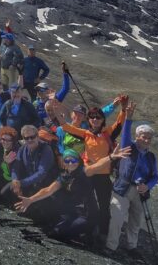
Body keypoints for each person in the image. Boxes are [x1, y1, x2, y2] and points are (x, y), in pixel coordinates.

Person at [47, 98, 128, 241]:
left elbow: (119, 123)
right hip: (88, 174)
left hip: (103, 176)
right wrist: (56, 110)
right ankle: (88, 228)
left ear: (102, 119)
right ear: (89, 120)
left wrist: (123, 108)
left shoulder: (107, 133)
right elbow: (65, 126)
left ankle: (102, 233)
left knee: (104, 205)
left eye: (98, 117)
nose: (95, 120)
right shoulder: (85, 134)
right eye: (92, 117)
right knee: (86, 203)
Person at [106, 102, 158, 254]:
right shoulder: (128, 146)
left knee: (135, 221)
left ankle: (131, 246)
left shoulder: (151, 157)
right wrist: (129, 118)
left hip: (140, 192)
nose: (147, 140)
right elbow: (125, 134)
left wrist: (148, 186)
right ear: (137, 137)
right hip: (122, 188)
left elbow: (155, 176)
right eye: (144, 137)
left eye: (149, 138)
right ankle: (111, 246)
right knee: (117, 218)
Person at [9, 125, 57, 221]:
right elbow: (16, 166)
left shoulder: (45, 149)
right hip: (30, 183)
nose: (30, 140)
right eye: (26, 138)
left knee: (36, 215)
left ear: (37, 136)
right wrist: (15, 180)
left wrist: (21, 183)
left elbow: (41, 173)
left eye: (32, 137)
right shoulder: (23, 149)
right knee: (7, 191)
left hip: (44, 185)